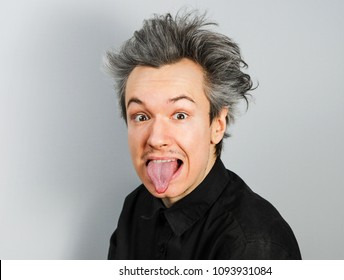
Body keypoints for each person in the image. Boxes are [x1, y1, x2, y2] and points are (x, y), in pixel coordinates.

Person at [105, 10, 301, 260]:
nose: (156, 138)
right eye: (141, 116)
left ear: (217, 125)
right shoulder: (135, 208)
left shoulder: (252, 245)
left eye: (180, 115)